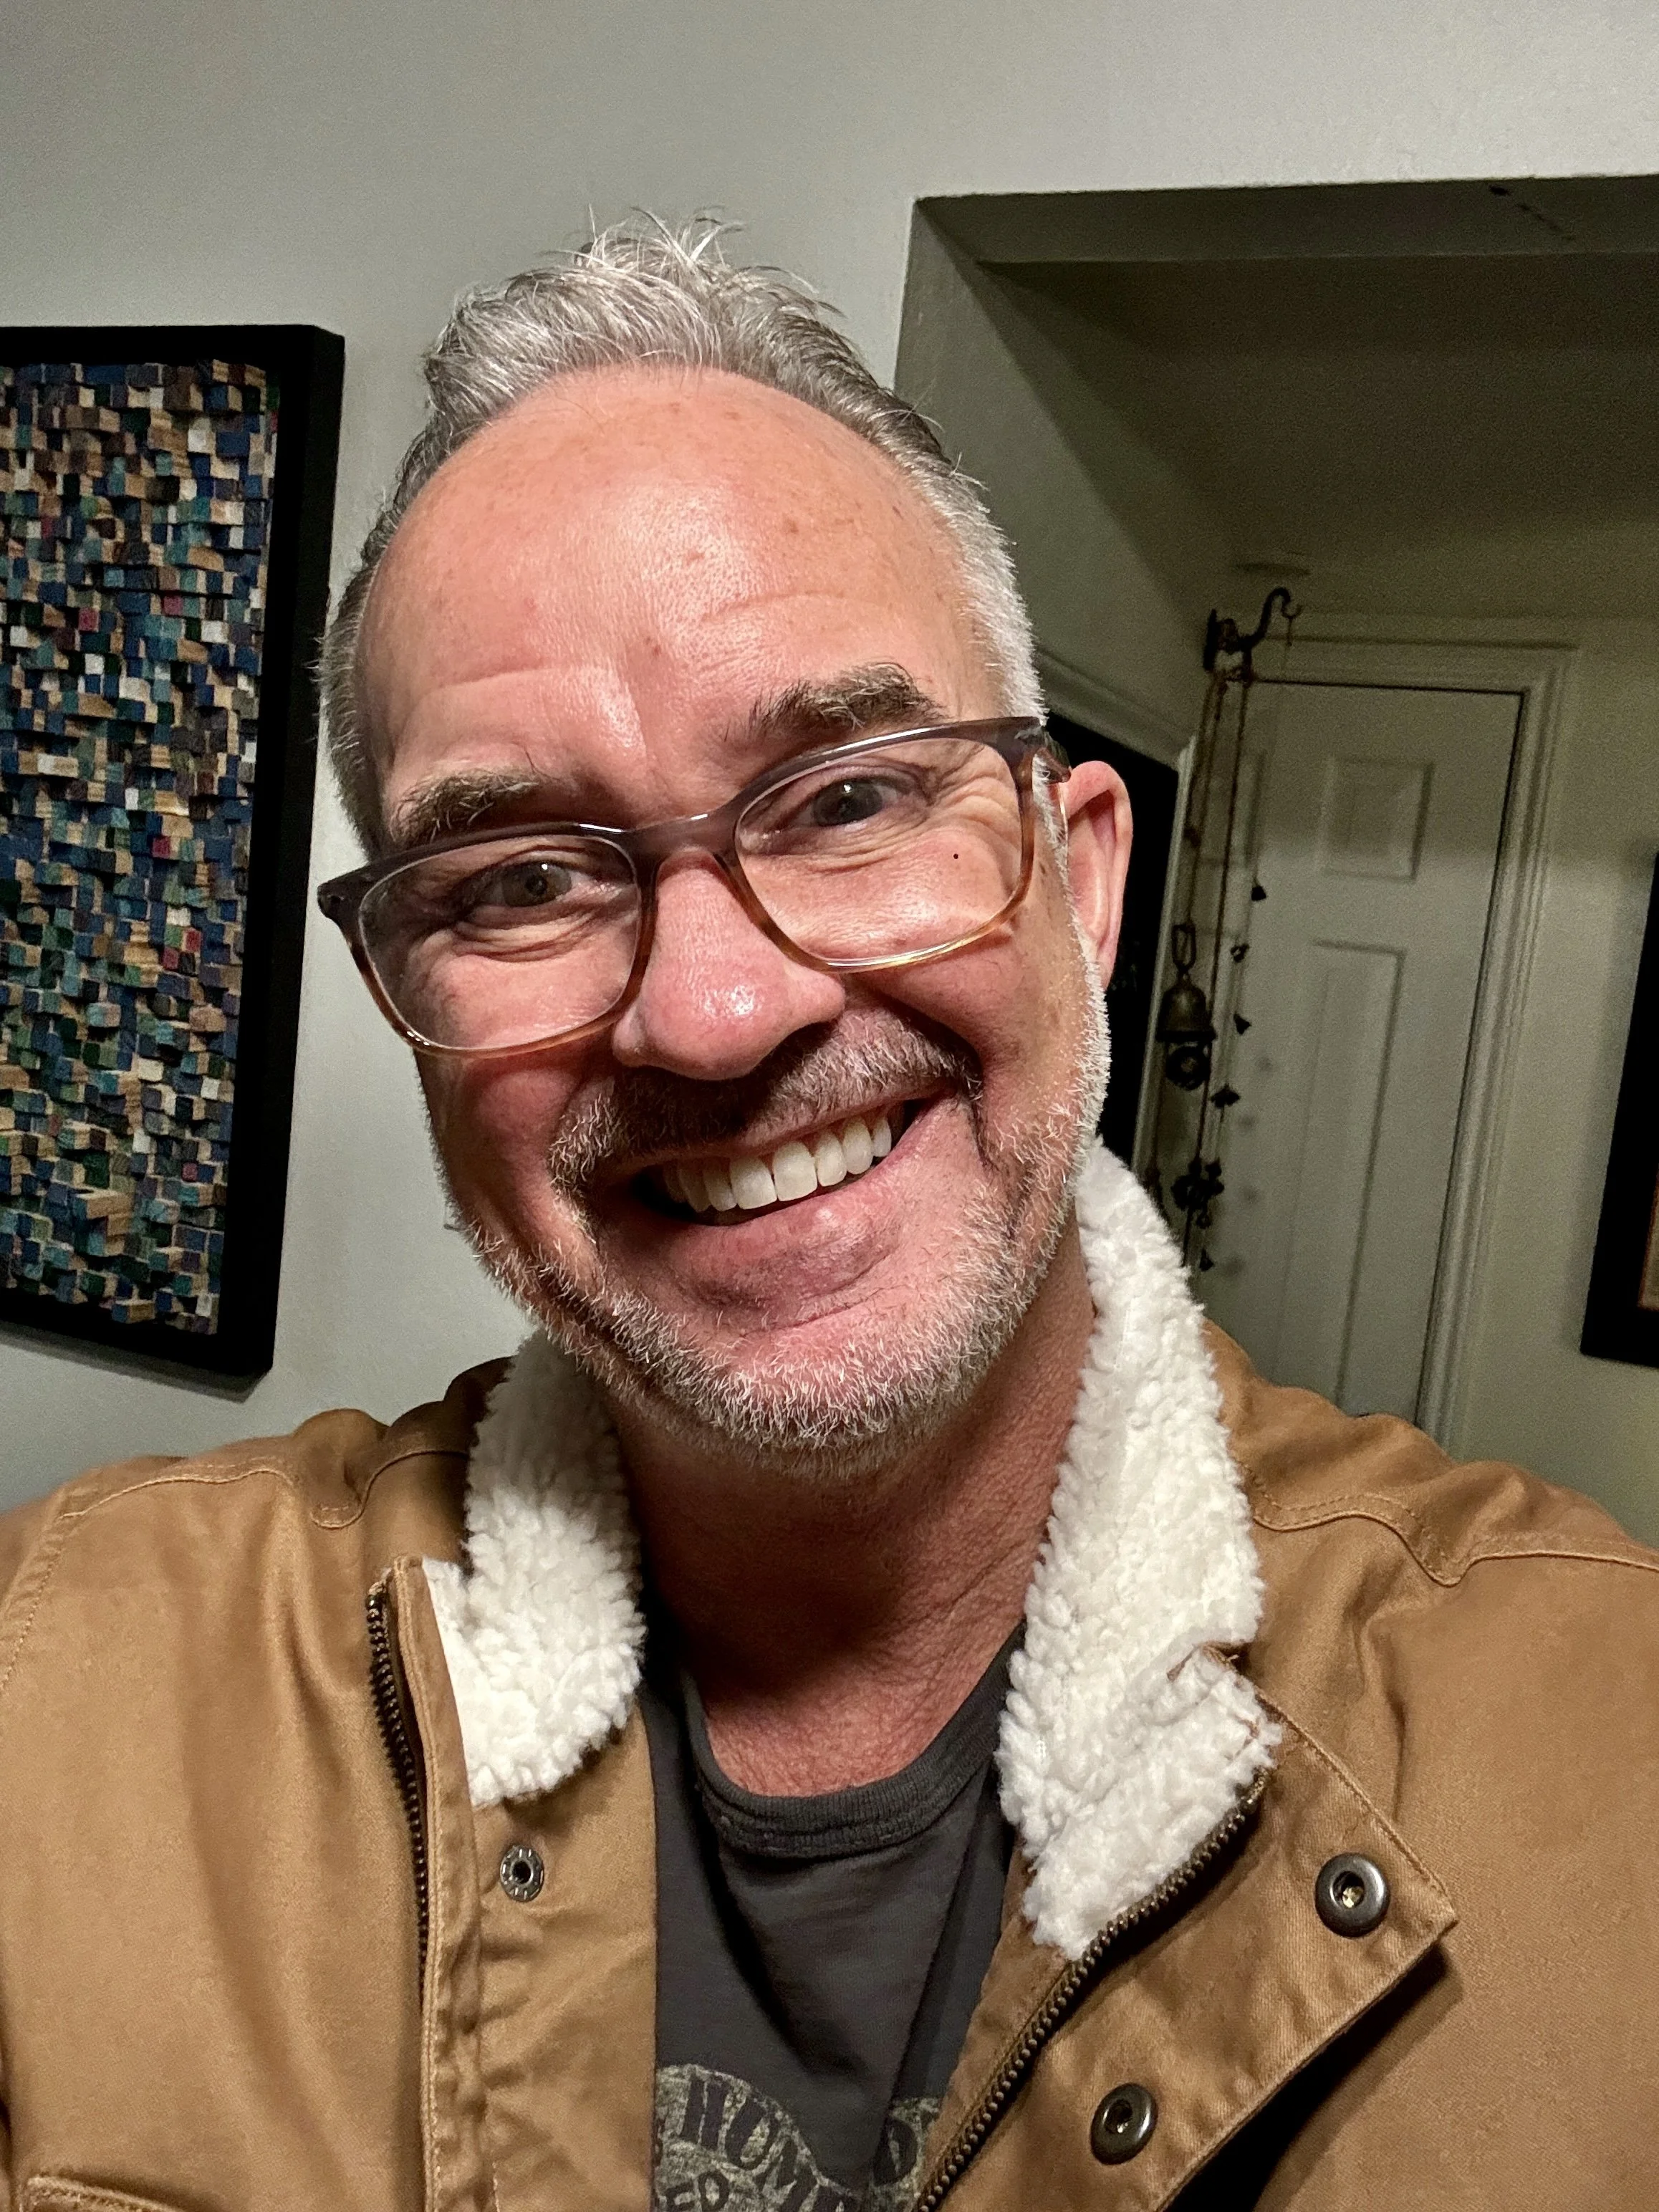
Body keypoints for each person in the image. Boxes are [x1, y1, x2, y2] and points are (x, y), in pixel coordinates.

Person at [2, 223, 1657, 2212]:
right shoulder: (69, 1690)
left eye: (849, 798)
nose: (710, 1012)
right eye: (519, 878)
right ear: (411, 1007)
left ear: (1082, 880)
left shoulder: (1602, 1766)